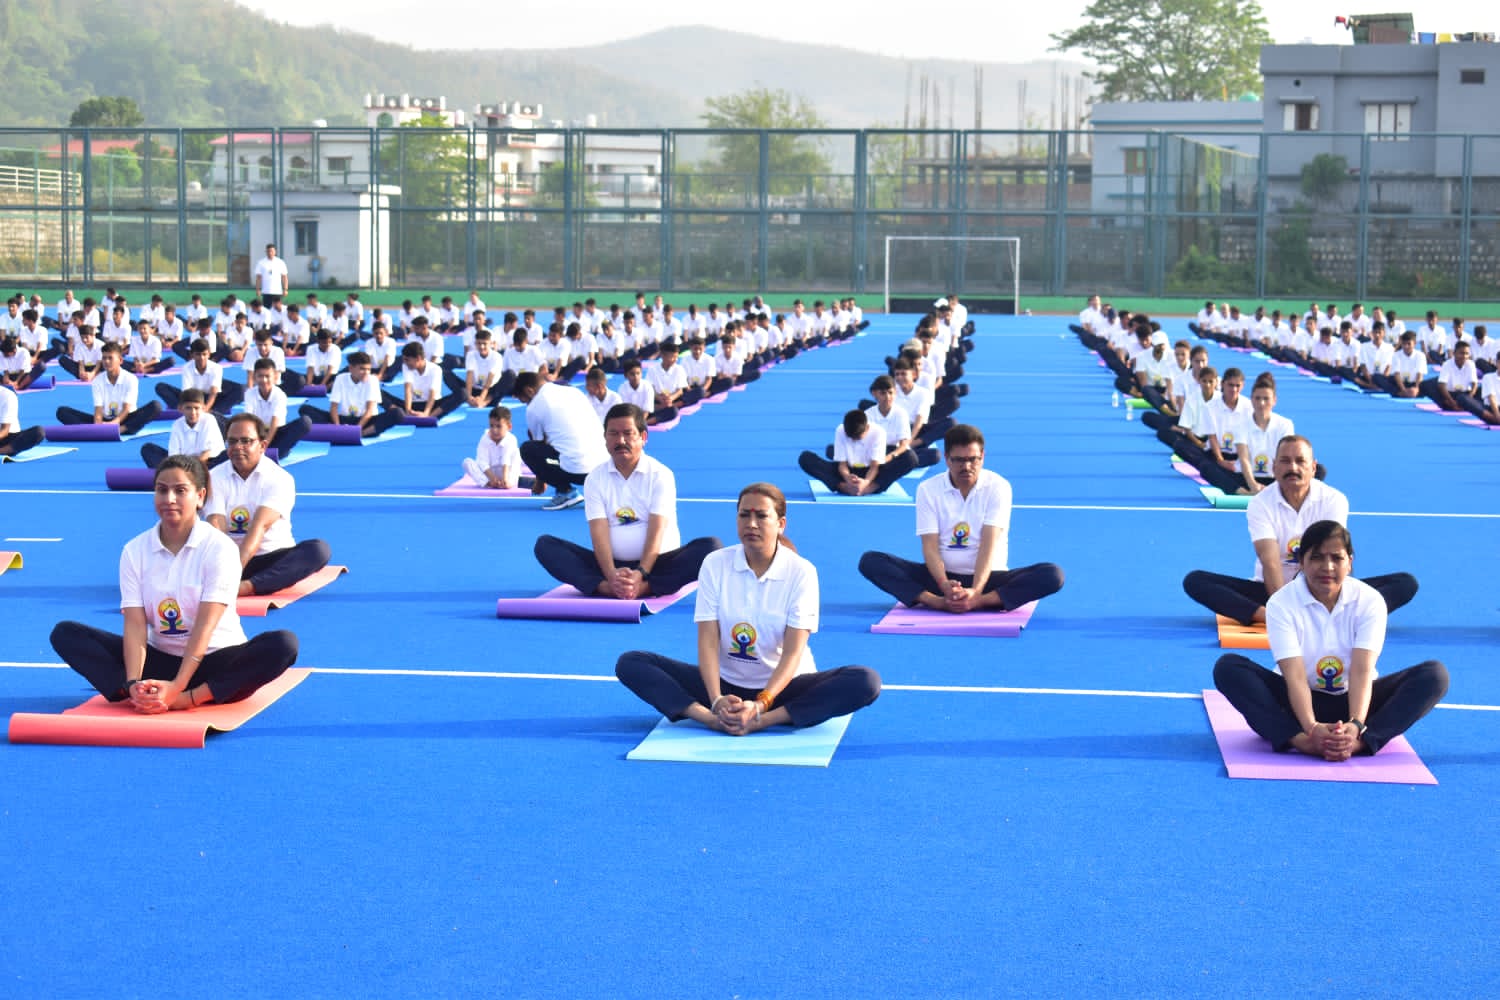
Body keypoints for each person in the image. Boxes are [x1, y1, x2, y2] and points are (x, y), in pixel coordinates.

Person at [614, 482, 880, 734]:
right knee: (632, 662)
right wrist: (716, 701)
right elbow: (707, 641)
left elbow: (793, 652)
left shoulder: (802, 572)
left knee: (865, 681)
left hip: (783, 690)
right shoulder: (715, 564)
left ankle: (764, 722)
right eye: (744, 515)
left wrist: (761, 706)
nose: (751, 524)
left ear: (781, 524)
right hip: (726, 687)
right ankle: (708, 719)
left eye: (762, 516)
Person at [48, 455, 300, 712]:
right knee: (66, 633)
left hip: (216, 663)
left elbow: (205, 626)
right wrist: (134, 681)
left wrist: (180, 689)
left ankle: (194, 697)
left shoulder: (220, 548)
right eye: (162, 490)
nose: (169, 499)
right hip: (160, 660)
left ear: (200, 496)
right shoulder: (135, 550)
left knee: (283, 644)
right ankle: (138, 693)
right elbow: (135, 624)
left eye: (180, 491)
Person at [1213, 520, 1448, 759]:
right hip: (1296, 702)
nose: (1327, 566)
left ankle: (1361, 744)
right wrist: (1310, 729)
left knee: (1434, 675)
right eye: (1316, 557)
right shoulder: (1281, 603)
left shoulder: (1371, 601)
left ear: (1350, 562)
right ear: (1302, 562)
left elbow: (1361, 670)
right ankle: (1298, 740)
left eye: (1337, 558)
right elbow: (1294, 676)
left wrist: (1356, 725)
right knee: (1229, 667)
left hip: (1356, 699)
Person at [1183, 436, 1418, 626]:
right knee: (1196, 581)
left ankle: (1332, 612)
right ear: (1274, 467)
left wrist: (1320, 598)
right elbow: (1270, 561)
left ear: (1313, 467)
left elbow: (1331, 559)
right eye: (1285, 461)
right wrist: (1282, 610)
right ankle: (1266, 616)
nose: (1292, 468)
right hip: (1272, 590)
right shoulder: (1260, 503)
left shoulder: (1334, 500)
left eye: (1300, 461)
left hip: (1323, 587)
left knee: (1405, 583)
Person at [857, 424, 1065, 613]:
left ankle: (982, 601)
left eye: (972, 459)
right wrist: (943, 584)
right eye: (959, 460)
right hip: (941, 580)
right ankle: (935, 602)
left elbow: (988, 544)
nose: (966, 466)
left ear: (982, 456)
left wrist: (975, 592)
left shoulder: (998, 487)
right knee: (871, 561)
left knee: (1052, 575)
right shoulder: (928, 489)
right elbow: (929, 545)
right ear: (947, 458)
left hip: (990, 578)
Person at [534, 403, 721, 599]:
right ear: (605, 439)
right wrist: (611, 575)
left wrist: (641, 574)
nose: (620, 440)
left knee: (711, 548)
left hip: (658, 565)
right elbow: (599, 534)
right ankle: (606, 587)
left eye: (628, 433)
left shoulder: (661, 475)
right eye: (613, 433)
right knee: (545, 545)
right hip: (610, 566)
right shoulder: (595, 479)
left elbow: (656, 532)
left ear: (643, 437)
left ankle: (644, 588)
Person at [205, 414, 332, 598]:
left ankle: (247, 587)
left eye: (246, 441)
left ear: (263, 446)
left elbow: (259, 526)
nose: (237, 447)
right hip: (226, 558)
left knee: (318, 550)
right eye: (232, 442)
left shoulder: (279, 479)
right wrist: (221, 566)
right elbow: (216, 524)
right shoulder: (214, 477)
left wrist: (232, 574)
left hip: (270, 559)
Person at [511, 371, 610, 510]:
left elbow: (539, 444)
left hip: (577, 472)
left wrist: (541, 481)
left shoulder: (534, 406)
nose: (527, 404)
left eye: (525, 400)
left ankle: (566, 492)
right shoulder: (573, 391)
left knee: (528, 449)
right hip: (603, 468)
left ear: (529, 391)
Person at [798, 407, 917, 496]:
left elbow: (875, 466)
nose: (853, 440)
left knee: (910, 458)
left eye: (857, 437)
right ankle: (844, 488)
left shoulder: (878, 432)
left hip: (872, 473)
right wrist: (847, 478)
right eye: (850, 437)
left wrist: (865, 483)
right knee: (806, 458)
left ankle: (870, 489)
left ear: (867, 428)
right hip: (848, 471)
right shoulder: (841, 430)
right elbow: (842, 464)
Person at [55, 342, 162, 435]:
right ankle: (96, 431)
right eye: (104, 358)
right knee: (62, 412)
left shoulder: (131, 379)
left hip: (126, 420)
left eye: (110, 358)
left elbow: (126, 409)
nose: (106, 361)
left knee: (155, 406)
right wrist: (99, 426)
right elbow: (98, 410)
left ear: (120, 360)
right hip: (104, 421)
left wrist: (114, 424)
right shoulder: (97, 381)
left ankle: (120, 430)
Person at [301, 351, 404, 439]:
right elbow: (333, 408)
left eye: (368, 369)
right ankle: (337, 432)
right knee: (305, 409)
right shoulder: (340, 378)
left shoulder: (372, 381)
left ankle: (362, 434)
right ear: (351, 368)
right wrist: (338, 428)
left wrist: (356, 430)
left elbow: (369, 411)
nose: (366, 372)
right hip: (343, 420)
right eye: (362, 369)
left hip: (365, 422)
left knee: (397, 413)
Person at [243, 357, 313, 458]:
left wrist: (264, 446)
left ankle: (276, 452)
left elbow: (274, 424)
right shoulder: (249, 394)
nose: (264, 380)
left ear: (275, 377)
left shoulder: (280, 395)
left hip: (276, 433)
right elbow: (249, 421)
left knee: (305, 422)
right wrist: (254, 442)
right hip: (257, 434)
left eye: (267, 376)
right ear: (254, 377)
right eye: (260, 376)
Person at [140, 389, 226, 469]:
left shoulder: (209, 420)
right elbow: (174, 456)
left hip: (208, 463)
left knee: (228, 455)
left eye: (196, 408)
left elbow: (206, 454)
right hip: (183, 464)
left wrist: (188, 469)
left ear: (203, 408)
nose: (193, 412)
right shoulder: (177, 424)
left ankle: (180, 476)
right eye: (188, 408)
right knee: (148, 449)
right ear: (180, 409)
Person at [462, 405, 531, 489]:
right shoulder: (484, 438)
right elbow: (482, 461)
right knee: (467, 462)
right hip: (490, 473)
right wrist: (492, 479)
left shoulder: (511, 439)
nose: (494, 430)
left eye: (499, 426)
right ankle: (488, 483)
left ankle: (510, 482)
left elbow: (506, 460)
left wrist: (506, 479)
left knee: (518, 453)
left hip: (507, 473)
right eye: (491, 426)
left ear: (509, 427)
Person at [0, 381, 45, 459]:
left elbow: (5, 430)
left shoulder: (7, 396)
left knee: (38, 432)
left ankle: (4, 451)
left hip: (6, 437)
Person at [253, 243, 289, 309]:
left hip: (277, 291)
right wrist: (258, 289)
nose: (270, 253)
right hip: (266, 291)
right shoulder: (261, 262)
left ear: (275, 252)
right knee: (266, 309)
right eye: (268, 251)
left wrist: (285, 289)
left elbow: (284, 277)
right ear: (266, 252)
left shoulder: (280, 262)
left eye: (271, 251)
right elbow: (258, 277)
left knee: (277, 308)